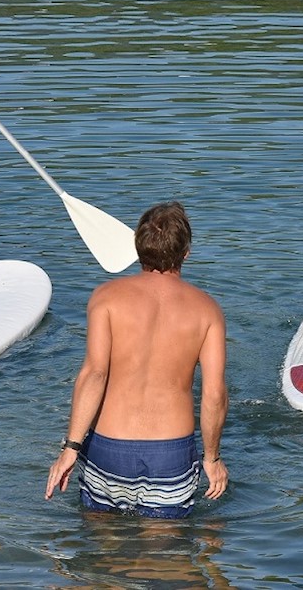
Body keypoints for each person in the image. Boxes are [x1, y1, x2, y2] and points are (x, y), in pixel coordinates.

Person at [45, 202, 228, 518]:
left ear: (137, 246)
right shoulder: (207, 310)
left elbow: (94, 375)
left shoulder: (106, 297)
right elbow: (214, 395)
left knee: (101, 552)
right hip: (169, 453)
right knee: (165, 558)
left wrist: (70, 449)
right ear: (186, 252)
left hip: (108, 447)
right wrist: (211, 459)